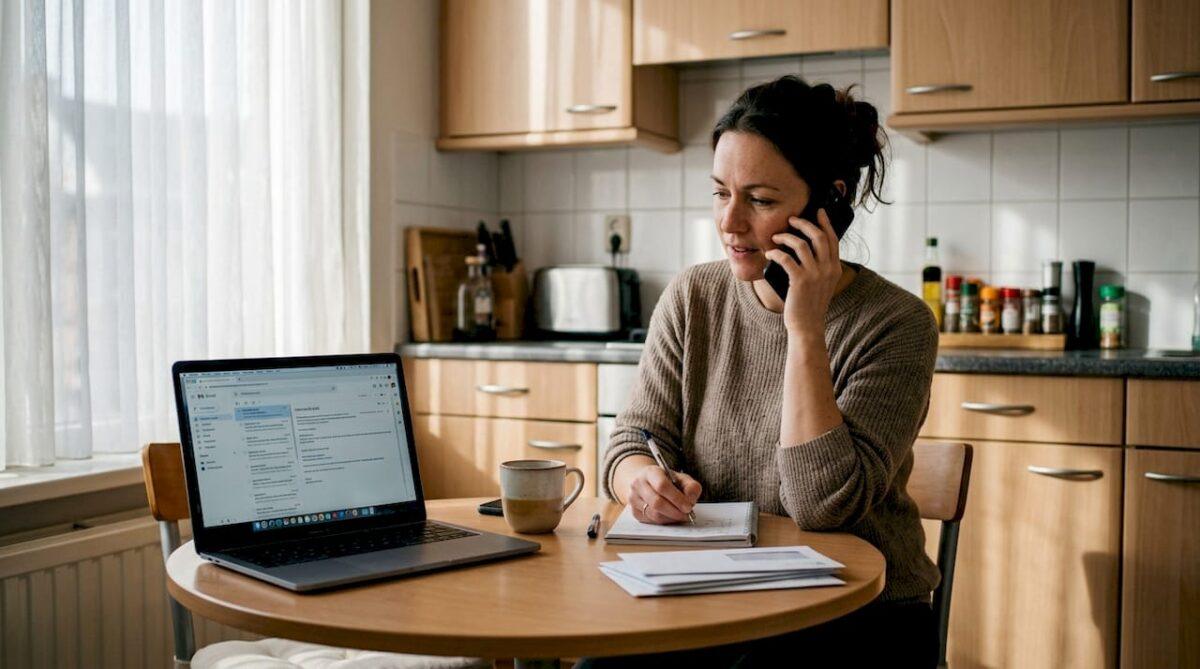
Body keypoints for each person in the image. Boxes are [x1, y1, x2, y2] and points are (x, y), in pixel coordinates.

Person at [585, 76, 941, 668]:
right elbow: (629, 443)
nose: (730, 222)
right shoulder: (693, 296)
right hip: (708, 597)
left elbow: (823, 506)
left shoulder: (898, 324)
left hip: (860, 612)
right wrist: (640, 483)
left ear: (828, 203)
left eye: (761, 200)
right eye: (721, 192)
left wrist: (805, 330)